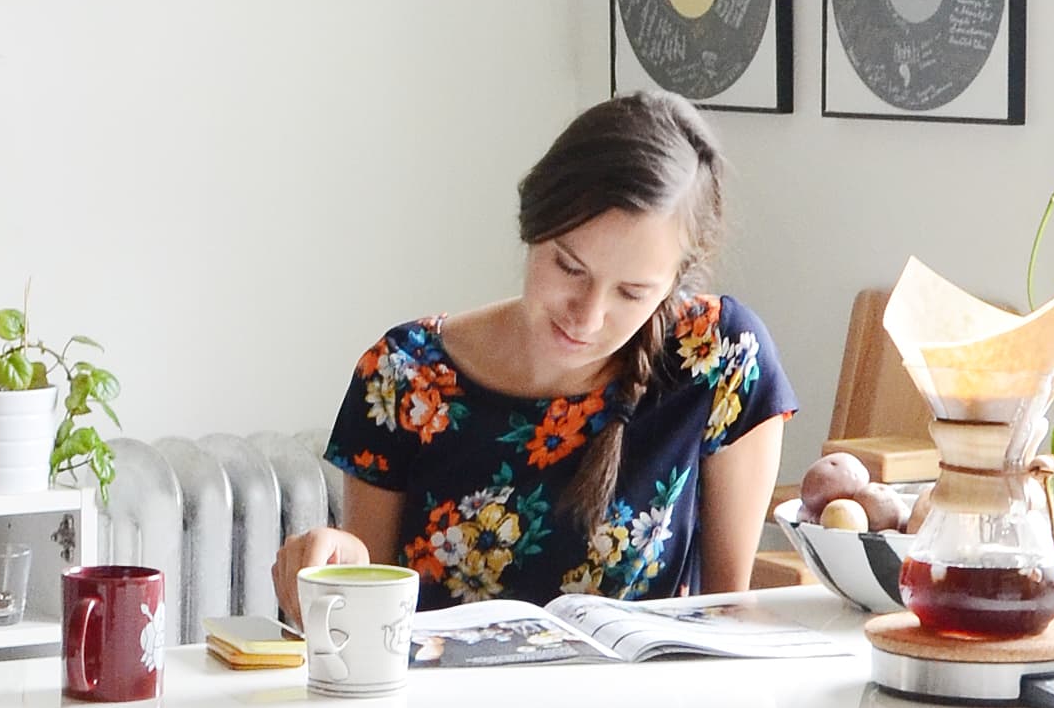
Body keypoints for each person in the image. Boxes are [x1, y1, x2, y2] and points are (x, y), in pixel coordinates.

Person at [273, 92, 794, 619]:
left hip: (646, 700)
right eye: (569, 267)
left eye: (632, 293)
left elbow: (729, 611)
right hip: (450, 702)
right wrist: (337, 568)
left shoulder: (719, 358)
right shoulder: (404, 377)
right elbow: (369, 611)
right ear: (533, 223)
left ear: (672, 285)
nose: (587, 316)